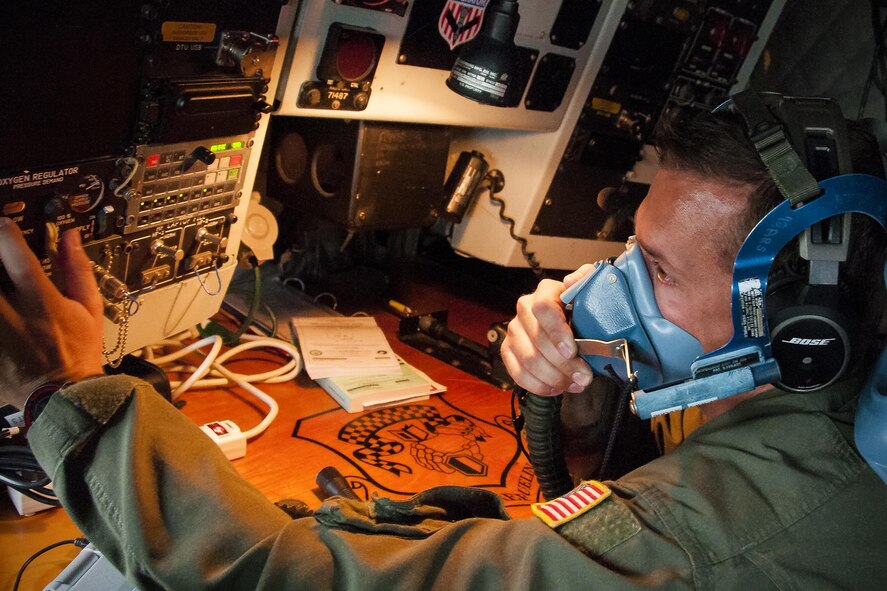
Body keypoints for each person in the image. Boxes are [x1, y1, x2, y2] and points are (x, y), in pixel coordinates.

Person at [2, 105, 886, 590]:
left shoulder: (707, 537)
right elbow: (593, 511)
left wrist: (61, 388)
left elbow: (268, 580)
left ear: (795, 320)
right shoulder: (828, 407)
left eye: (652, 267)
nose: (612, 284)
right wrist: (568, 387)